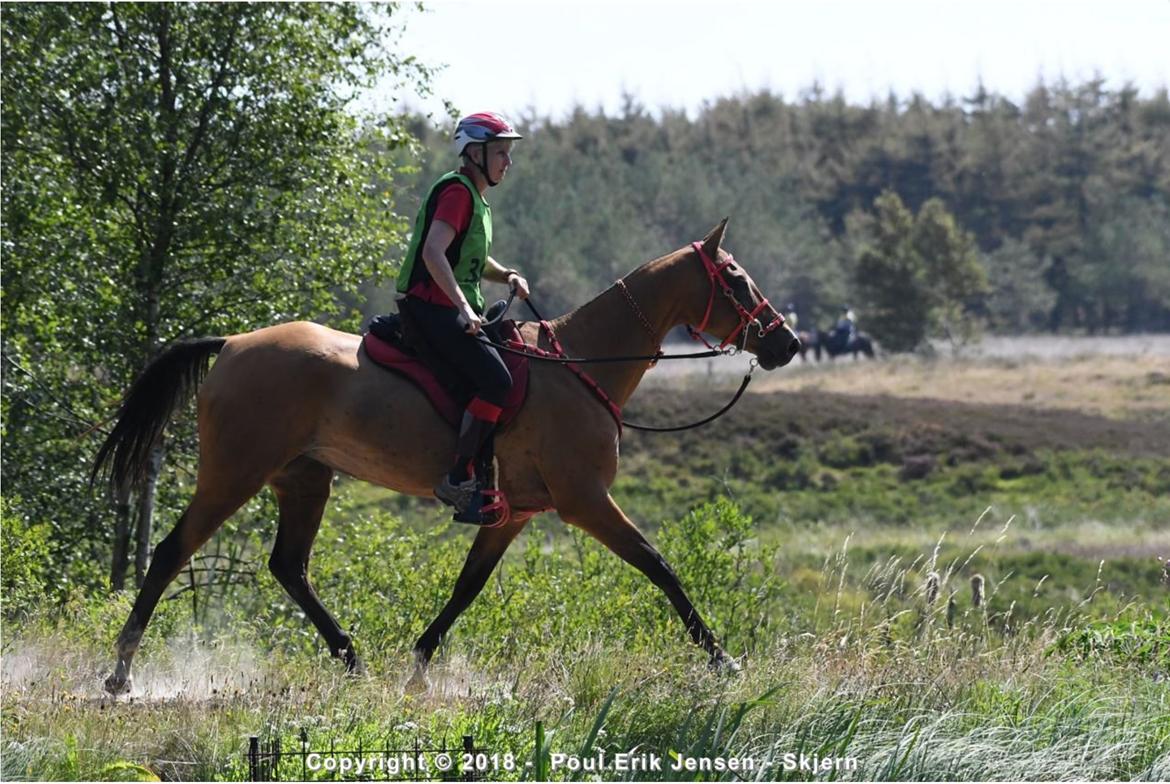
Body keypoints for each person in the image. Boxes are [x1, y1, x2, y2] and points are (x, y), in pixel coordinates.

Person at [395, 111, 530, 518]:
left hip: (447, 306)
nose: (508, 161)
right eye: (501, 152)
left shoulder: (476, 199)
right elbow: (433, 253)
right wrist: (464, 307)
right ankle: (458, 479)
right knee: (496, 381)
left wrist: (505, 273)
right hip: (429, 307)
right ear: (474, 153)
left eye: (508, 153)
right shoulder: (457, 192)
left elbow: (470, 257)